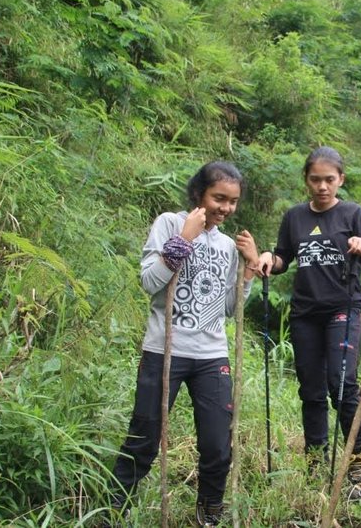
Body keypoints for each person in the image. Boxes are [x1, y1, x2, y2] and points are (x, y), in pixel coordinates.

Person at [106, 161, 259, 527]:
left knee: (218, 446)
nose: (226, 208)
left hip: (211, 356)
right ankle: (112, 510)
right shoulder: (170, 224)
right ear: (198, 194)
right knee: (144, 438)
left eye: (233, 201)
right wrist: (184, 239)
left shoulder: (225, 244)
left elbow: (227, 309)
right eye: (219, 198)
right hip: (165, 351)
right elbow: (149, 282)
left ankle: (209, 512)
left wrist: (249, 271)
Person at [257, 146, 361, 500]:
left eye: (330, 179)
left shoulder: (354, 214)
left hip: (343, 308)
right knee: (311, 389)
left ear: (341, 179)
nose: (323, 186)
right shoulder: (295, 217)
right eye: (316, 179)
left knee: (341, 383)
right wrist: (270, 258)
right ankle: (316, 462)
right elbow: (284, 257)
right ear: (306, 180)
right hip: (305, 313)